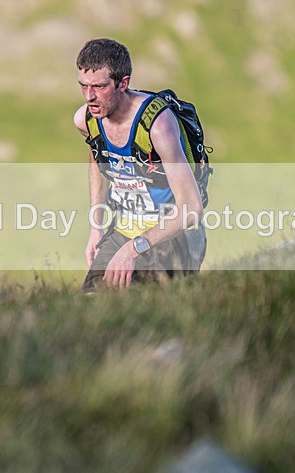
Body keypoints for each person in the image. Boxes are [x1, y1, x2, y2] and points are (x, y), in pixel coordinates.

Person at [73, 38, 206, 292]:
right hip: (123, 231)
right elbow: (98, 157)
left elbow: (191, 208)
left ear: (123, 84)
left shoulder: (158, 126)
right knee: (90, 304)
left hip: (173, 237)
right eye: (83, 86)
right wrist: (96, 228)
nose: (90, 96)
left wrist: (133, 249)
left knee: (139, 306)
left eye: (99, 87)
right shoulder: (87, 120)